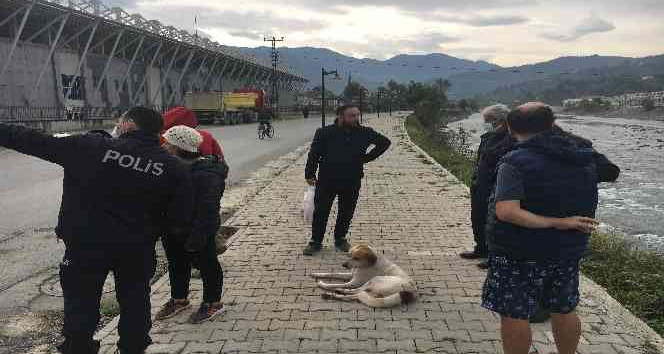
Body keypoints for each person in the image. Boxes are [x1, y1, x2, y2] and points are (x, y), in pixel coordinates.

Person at [0, 107, 193, 354]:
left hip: (85, 246)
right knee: (136, 302)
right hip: (136, 248)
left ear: (128, 124)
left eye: (120, 120)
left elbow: (31, 140)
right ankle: (133, 348)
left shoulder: (89, 147)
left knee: (80, 304)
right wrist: (149, 232)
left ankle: (79, 347)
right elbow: (181, 218)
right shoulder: (172, 167)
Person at [481, 102, 600, 354]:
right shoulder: (583, 156)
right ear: (551, 125)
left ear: (511, 128)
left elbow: (507, 211)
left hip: (518, 251)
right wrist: (566, 224)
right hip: (567, 249)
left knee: (514, 313)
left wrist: (557, 222)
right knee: (563, 308)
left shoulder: (515, 161)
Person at [155, 125, 228, 324]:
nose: (164, 146)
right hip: (173, 229)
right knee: (177, 264)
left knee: (208, 265)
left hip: (197, 230)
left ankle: (213, 303)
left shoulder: (206, 174)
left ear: (178, 147)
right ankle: (179, 299)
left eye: (167, 143)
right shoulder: (172, 167)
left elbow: (208, 212)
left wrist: (197, 238)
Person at [303, 104, 391, 255]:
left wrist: (367, 158)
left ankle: (340, 239)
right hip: (327, 180)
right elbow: (314, 155)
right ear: (341, 116)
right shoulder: (324, 133)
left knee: (346, 211)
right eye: (352, 115)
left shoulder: (365, 132)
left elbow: (385, 143)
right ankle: (315, 242)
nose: (356, 118)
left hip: (352, 179)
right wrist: (309, 174)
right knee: (321, 211)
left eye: (357, 115)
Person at [460, 104, 512, 264]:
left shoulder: (510, 139)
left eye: (488, 120)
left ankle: (493, 255)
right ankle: (480, 248)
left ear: (500, 120)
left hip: (494, 186)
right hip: (480, 184)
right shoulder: (488, 137)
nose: (486, 123)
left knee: (493, 221)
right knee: (478, 217)